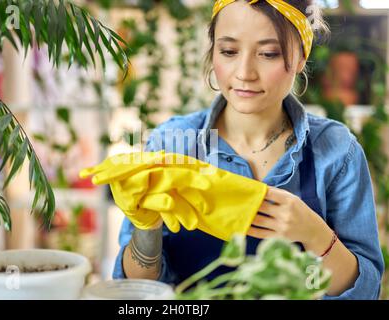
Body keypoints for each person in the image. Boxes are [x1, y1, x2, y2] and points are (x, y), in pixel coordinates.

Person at [113, 0, 384, 299]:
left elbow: (365, 291)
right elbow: (135, 293)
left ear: (301, 58)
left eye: (269, 54)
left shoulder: (336, 152)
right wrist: (146, 227)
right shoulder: (171, 144)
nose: (244, 72)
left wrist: (315, 235)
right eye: (228, 51)